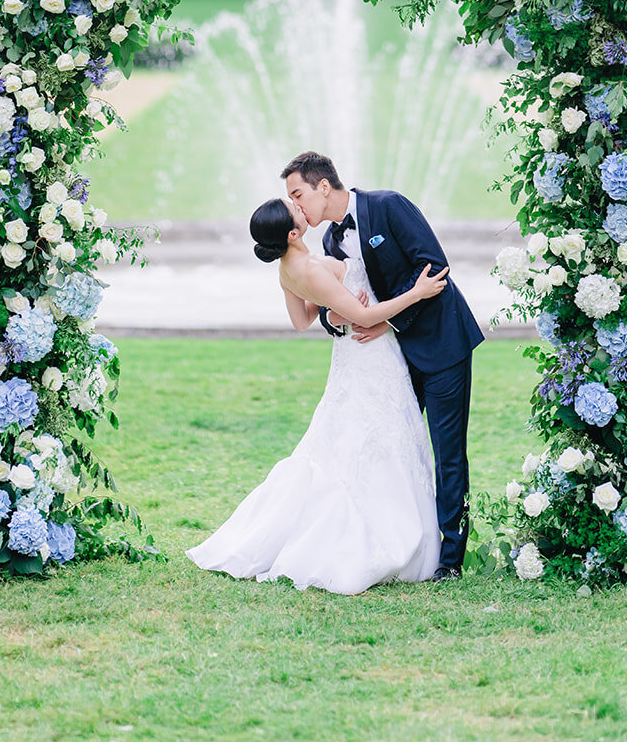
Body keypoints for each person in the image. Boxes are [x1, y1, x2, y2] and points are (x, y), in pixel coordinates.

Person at [186, 191, 448, 594]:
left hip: (347, 357)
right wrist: (415, 294)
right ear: (292, 233)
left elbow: (301, 319)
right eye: (294, 208)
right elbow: (362, 317)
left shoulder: (287, 268)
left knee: (349, 438)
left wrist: (331, 309)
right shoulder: (306, 265)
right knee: (379, 437)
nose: (301, 207)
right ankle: (380, 535)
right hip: (368, 352)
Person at [283, 150, 484, 580]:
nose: (296, 207)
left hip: (440, 344)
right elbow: (326, 309)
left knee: (447, 455)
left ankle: (450, 559)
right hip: (388, 363)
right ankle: (394, 543)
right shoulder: (328, 243)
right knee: (393, 450)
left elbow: (433, 267)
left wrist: (388, 320)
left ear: (323, 186)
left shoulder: (388, 205)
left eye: (298, 194)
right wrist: (340, 319)